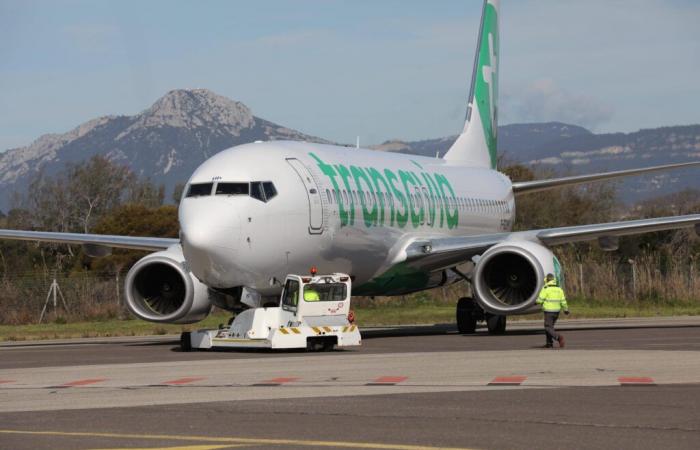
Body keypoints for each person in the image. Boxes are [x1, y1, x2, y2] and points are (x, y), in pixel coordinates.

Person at [536, 273, 569, 348]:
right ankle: (549, 343)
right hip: (556, 312)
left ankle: (558, 337)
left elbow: (540, 300)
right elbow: (563, 301)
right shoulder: (559, 289)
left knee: (547, 327)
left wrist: (536, 302)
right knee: (550, 327)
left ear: (546, 280)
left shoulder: (546, 289)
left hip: (548, 311)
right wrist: (566, 309)